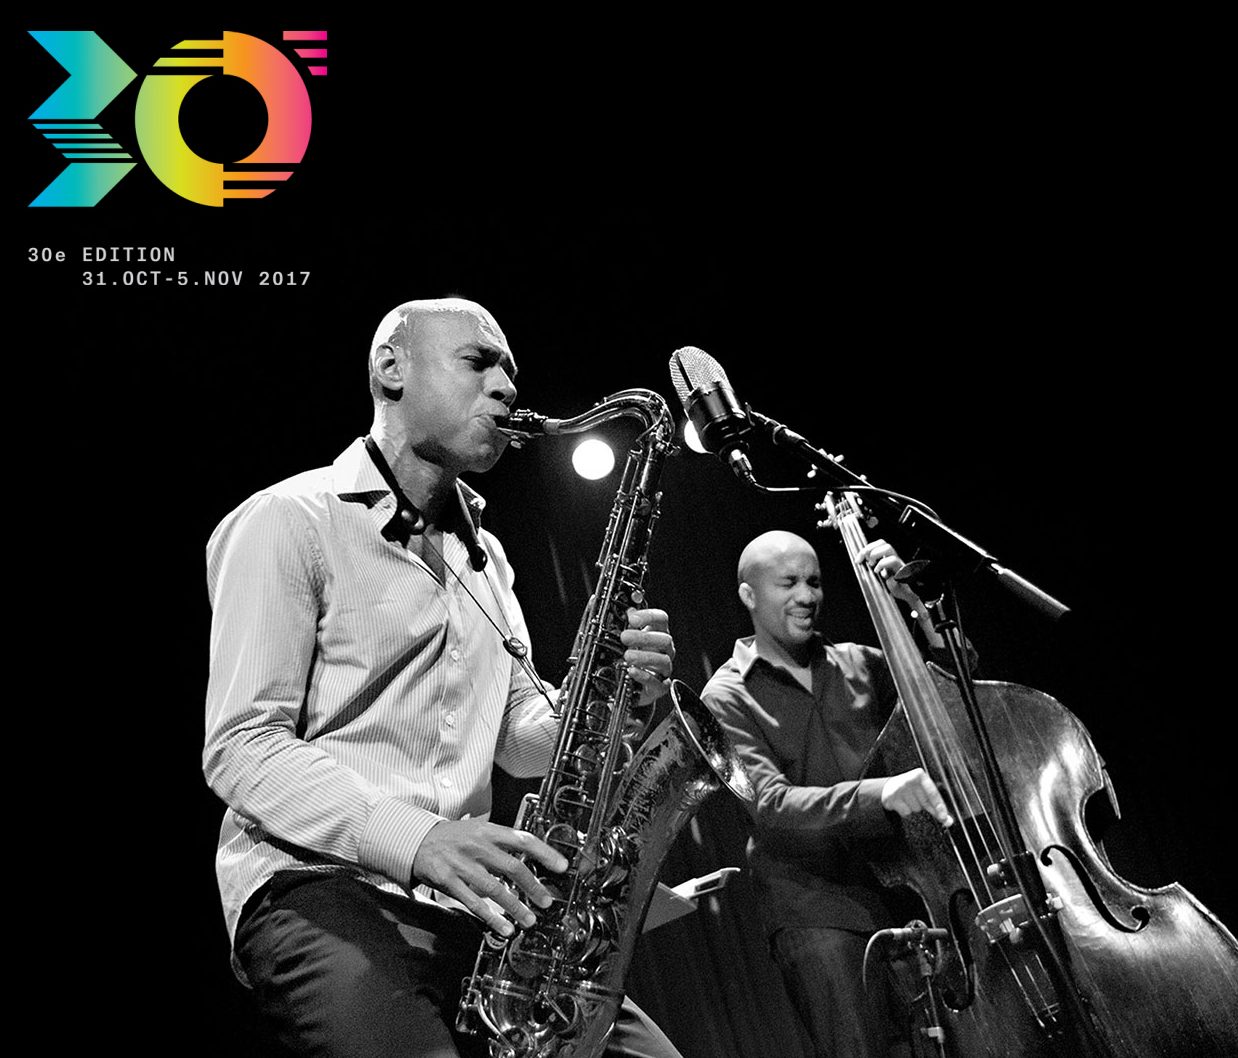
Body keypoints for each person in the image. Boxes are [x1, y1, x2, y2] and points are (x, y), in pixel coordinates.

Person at [203, 297, 683, 1057]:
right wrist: (418, 839)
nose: (507, 387)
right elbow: (242, 747)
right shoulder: (287, 520)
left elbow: (520, 740)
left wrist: (610, 698)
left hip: (472, 906)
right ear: (391, 368)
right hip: (320, 888)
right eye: (479, 362)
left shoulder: (488, 560)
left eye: (511, 372)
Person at [700, 530, 969, 1058]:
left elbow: (954, 698)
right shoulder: (726, 695)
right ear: (749, 595)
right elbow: (770, 805)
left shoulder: (863, 662)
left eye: (815, 582)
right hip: (817, 910)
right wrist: (881, 793)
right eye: (789, 583)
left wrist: (916, 606)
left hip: (912, 890)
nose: (807, 596)